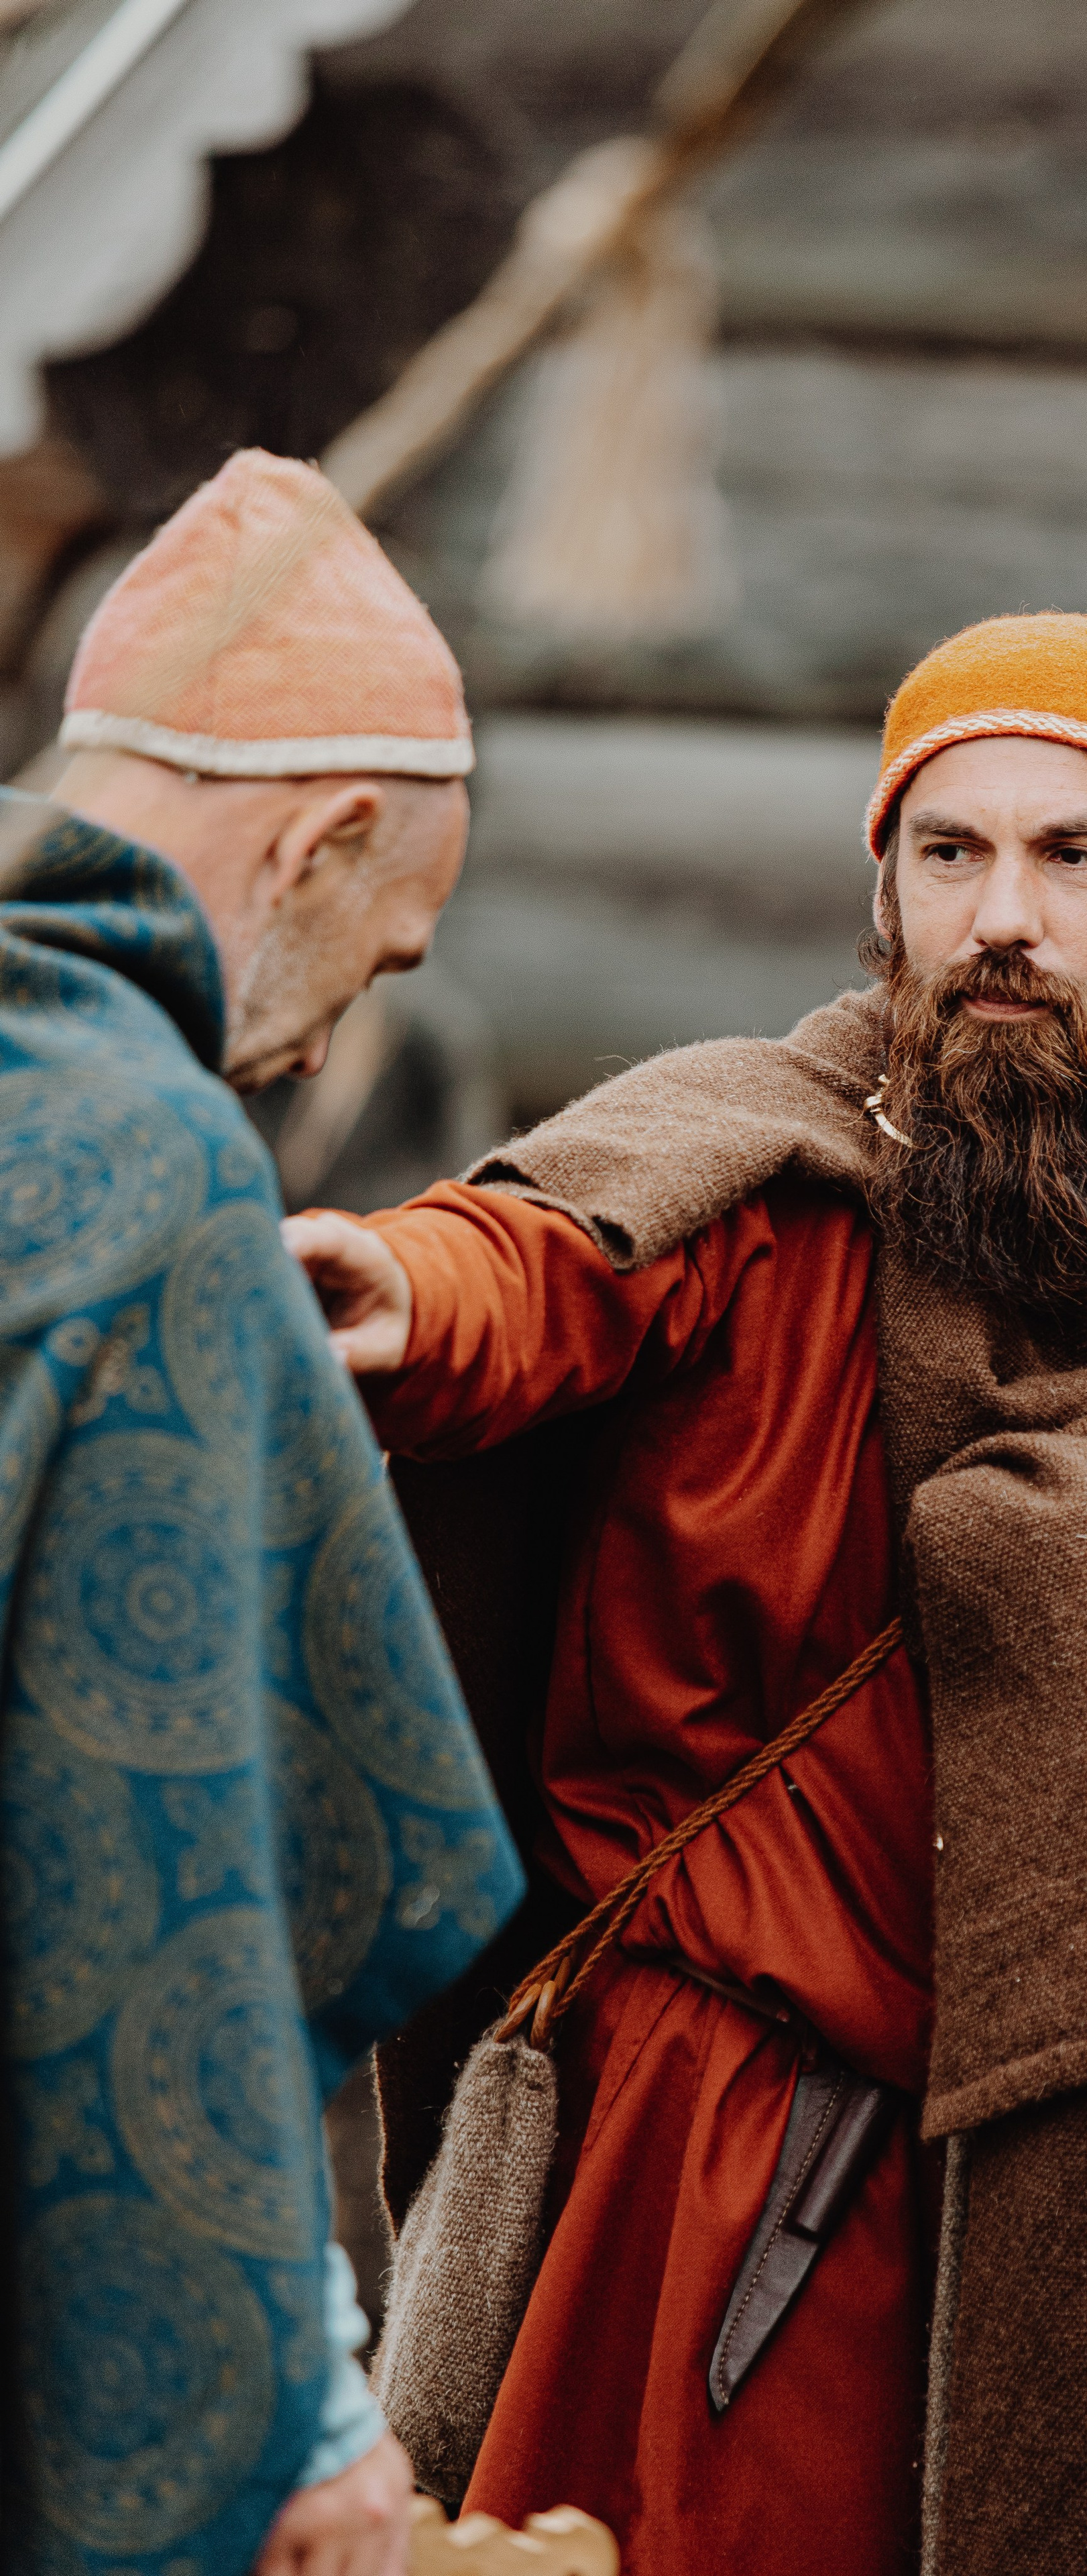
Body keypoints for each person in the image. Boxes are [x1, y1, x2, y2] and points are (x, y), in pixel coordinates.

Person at [289, 612, 1087, 2576]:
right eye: (953, 854)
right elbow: (555, 1262)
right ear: (887, 884)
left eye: (1070, 857)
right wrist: (404, 1294)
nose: (1002, 916)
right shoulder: (757, 1162)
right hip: (732, 2167)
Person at [0, 449, 524, 2576]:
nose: (313, 1062)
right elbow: (150, 1884)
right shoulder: (155, 1171)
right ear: (313, 840)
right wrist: (279, 2420)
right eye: (376, 958)